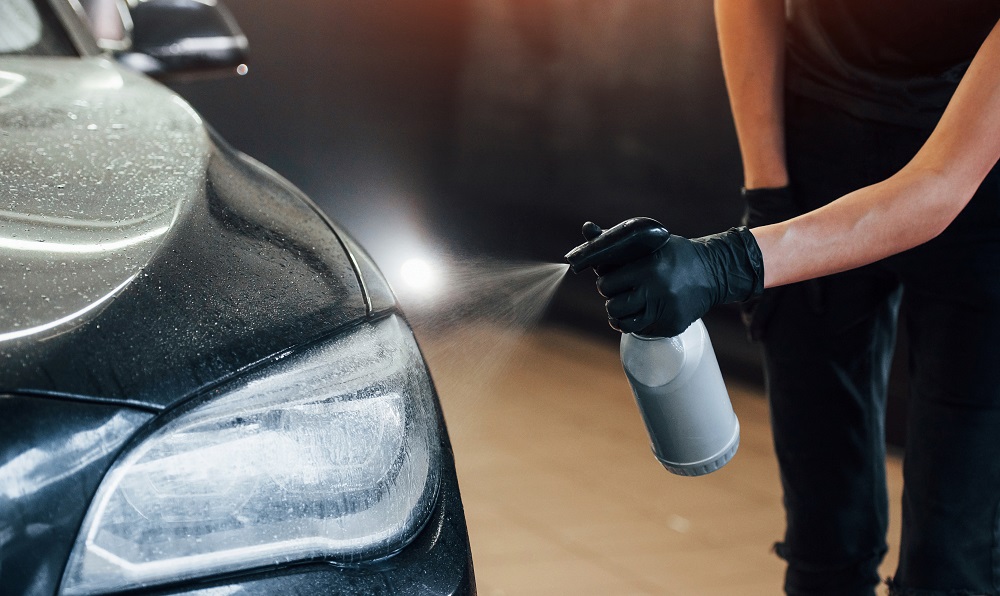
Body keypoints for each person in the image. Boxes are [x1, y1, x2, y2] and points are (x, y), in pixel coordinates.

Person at [581, 2, 1000, 594]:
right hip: (818, 133)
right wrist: (770, 196)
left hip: (983, 187)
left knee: (954, 561)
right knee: (824, 542)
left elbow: (943, 183)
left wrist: (734, 261)